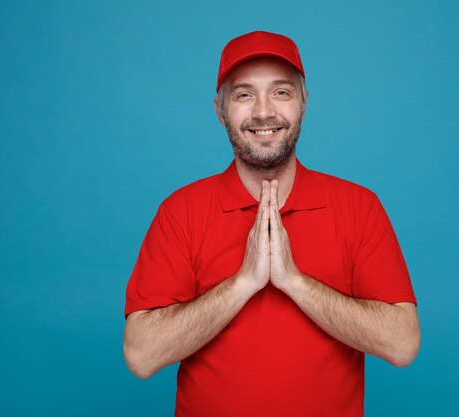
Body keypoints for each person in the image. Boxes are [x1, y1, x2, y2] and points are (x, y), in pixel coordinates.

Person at [123, 30, 420, 417]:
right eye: (244, 94)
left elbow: (402, 344)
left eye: (281, 92)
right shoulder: (180, 213)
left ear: (304, 103)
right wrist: (243, 282)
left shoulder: (359, 207)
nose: (263, 112)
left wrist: (294, 282)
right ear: (220, 109)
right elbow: (141, 356)